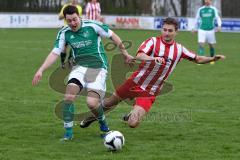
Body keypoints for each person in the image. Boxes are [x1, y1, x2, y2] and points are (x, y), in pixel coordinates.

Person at [79, 17, 225, 129]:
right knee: (109, 103)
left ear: (176, 32)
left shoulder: (179, 49)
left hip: (150, 90)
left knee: (133, 124)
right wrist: (153, 58)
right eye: (164, 29)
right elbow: (140, 55)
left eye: (170, 30)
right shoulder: (153, 42)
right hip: (135, 82)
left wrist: (213, 58)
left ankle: (131, 115)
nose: (166, 33)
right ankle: (90, 118)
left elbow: (197, 59)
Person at [32, 5, 134, 141]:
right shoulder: (64, 32)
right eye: (69, 21)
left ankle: (103, 124)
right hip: (79, 68)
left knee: (92, 103)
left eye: (75, 19)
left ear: (79, 16)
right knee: (68, 97)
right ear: (66, 20)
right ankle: (68, 134)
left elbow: (113, 36)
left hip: (97, 67)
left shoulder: (92, 25)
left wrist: (125, 54)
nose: (73, 23)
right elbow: (55, 52)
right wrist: (41, 69)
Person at [192, 0, 222, 65]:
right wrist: (194, 28)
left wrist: (219, 26)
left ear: (211, 1)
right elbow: (196, 19)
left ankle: (212, 59)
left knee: (211, 46)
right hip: (201, 29)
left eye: (208, 0)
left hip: (211, 30)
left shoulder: (213, 9)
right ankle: (200, 60)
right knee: (201, 45)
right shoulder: (201, 9)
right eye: (206, 0)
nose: (207, 1)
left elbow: (218, 18)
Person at [59, 0, 83, 68]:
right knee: (64, 47)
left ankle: (70, 61)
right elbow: (59, 17)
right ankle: (62, 62)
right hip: (66, 29)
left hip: (75, 29)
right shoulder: (65, 7)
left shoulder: (79, 7)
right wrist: (66, 15)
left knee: (74, 46)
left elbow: (79, 18)